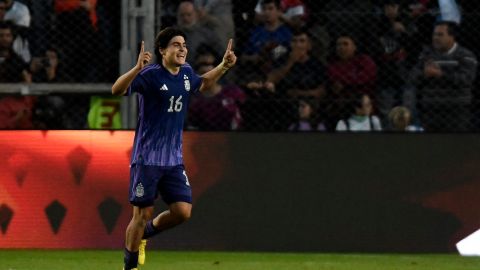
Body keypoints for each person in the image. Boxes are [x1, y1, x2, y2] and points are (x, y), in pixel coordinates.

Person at [111, 27, 236, 270]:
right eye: (176, 44)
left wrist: (224, 66)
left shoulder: (187, 74)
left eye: (184, 45)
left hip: (173, 161)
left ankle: (145, 234)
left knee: (182, 212)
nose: (182, 49)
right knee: (141, 214)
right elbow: (117, 90)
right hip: (147, 159)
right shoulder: (150, 75)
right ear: (162, 50)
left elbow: (204, 83)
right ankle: (130, 266)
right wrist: (137, 69)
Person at [407, 21, 477, 132]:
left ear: (452, 36)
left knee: (454, 145)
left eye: (440, 34)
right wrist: (424, 74)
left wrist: (440, 75)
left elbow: (466, 79)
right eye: (434, 34)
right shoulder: (427, 54)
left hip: (456, 110)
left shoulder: (465, 55)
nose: (435, 38)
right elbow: (412, 77)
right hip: (431, 109)